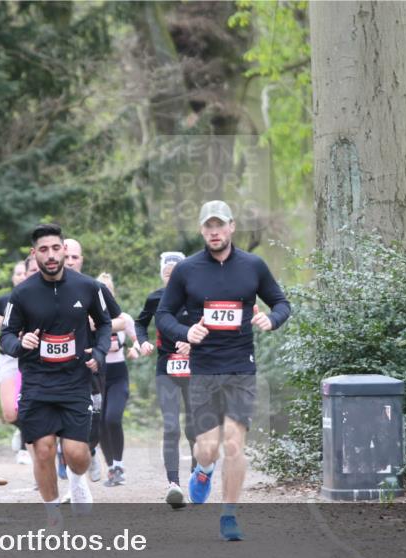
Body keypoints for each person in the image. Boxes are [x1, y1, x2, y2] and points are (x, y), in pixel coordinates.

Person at [156, 201, 291, 540]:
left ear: (231, 226)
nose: (214, 232)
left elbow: (281, 303)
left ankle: (229, 514)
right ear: (202, 230)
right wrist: (185, 332)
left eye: (220, 225)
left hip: (240, 367)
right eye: (208, 226)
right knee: (207, 447)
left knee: (233, 443)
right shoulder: (187, 270)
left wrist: (272, 319)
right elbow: (163, 314)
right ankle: (203, 469)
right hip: (203, 369)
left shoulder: (253, 266)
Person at [0, 224, 112, 525]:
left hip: (75, 381)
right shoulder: (22, 293)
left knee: (76, 454)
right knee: (43, 449)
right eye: (43, 250)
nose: (50, 255)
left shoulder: (87, 287)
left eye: (55, 248)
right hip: (37, 382)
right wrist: (20, 343)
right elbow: (5, 335)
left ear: (64, 249)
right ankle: (53, 515)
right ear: (34, 254)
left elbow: (104, 323)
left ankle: (77, 479)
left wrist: (99, 352)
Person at [134, 251, 197, 508]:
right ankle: (174, 485)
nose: (171, 278)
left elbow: (213, 330)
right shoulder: (155, 298)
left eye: (175, 273)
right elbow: (140, 324)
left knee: (194, 428)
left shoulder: (197, 297)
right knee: (171, 427)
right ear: (162, 275)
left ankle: (196, 481)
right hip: (166, 369)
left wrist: (194, 345)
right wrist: (143, 342)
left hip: (195, 369)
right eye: (167, 274)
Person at [62, 238, 125, 487]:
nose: (70, 262)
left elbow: (120, 320)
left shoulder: (93, 287)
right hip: (59, 368)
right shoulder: (47, 289)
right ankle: (73, 483)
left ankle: (90, 449)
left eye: (74, 257)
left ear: (82, 260)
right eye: (66, 256)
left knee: (94, 424)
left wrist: (93, 324)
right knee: (66, 423)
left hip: (92, 366)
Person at [92, 273, 138, 487]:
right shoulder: (90, 319)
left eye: (107, 291)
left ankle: (119, 465)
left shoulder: (123, 319)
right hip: (97, 374)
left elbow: (138, 339)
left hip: (118, 374)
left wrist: (135, 349)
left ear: (112, 294)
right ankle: (111, 468)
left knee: (112, 418)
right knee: (100, 422)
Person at [0, 259, 32, 465]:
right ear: (13, 278)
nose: (21, 277)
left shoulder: (38, 298)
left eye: (24, 273)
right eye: (18, 273)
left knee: (27, 405)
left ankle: (24, 446)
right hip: (7, 357)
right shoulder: (4, 300)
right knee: (10, 413)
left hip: (29, 357)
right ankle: (22, 431)